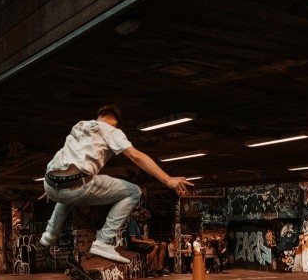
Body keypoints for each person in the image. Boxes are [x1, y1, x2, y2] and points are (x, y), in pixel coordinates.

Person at [40, 105, 193, 263]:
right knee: (134, 192)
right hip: (76, 186)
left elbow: (65, 157)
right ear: (114, 122)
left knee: (69, 194)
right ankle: (103, 242)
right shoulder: (112, 130)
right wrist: (168, 179)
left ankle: (49, 234)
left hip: (51, 183)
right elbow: (135, 156)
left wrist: (53, 186)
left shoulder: (80, 125)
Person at [126, 206, 169, 276]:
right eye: (144, 219)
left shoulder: (138, 224)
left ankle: (159, 268)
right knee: (155, 247)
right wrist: (147, 242)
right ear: (140, 216)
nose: (144, 221)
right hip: (134, 246)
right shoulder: (132, 223)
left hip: (140, 244)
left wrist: (149, 240)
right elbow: (133, 240)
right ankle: (148, 270)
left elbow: (140, 238)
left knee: (163, 244)